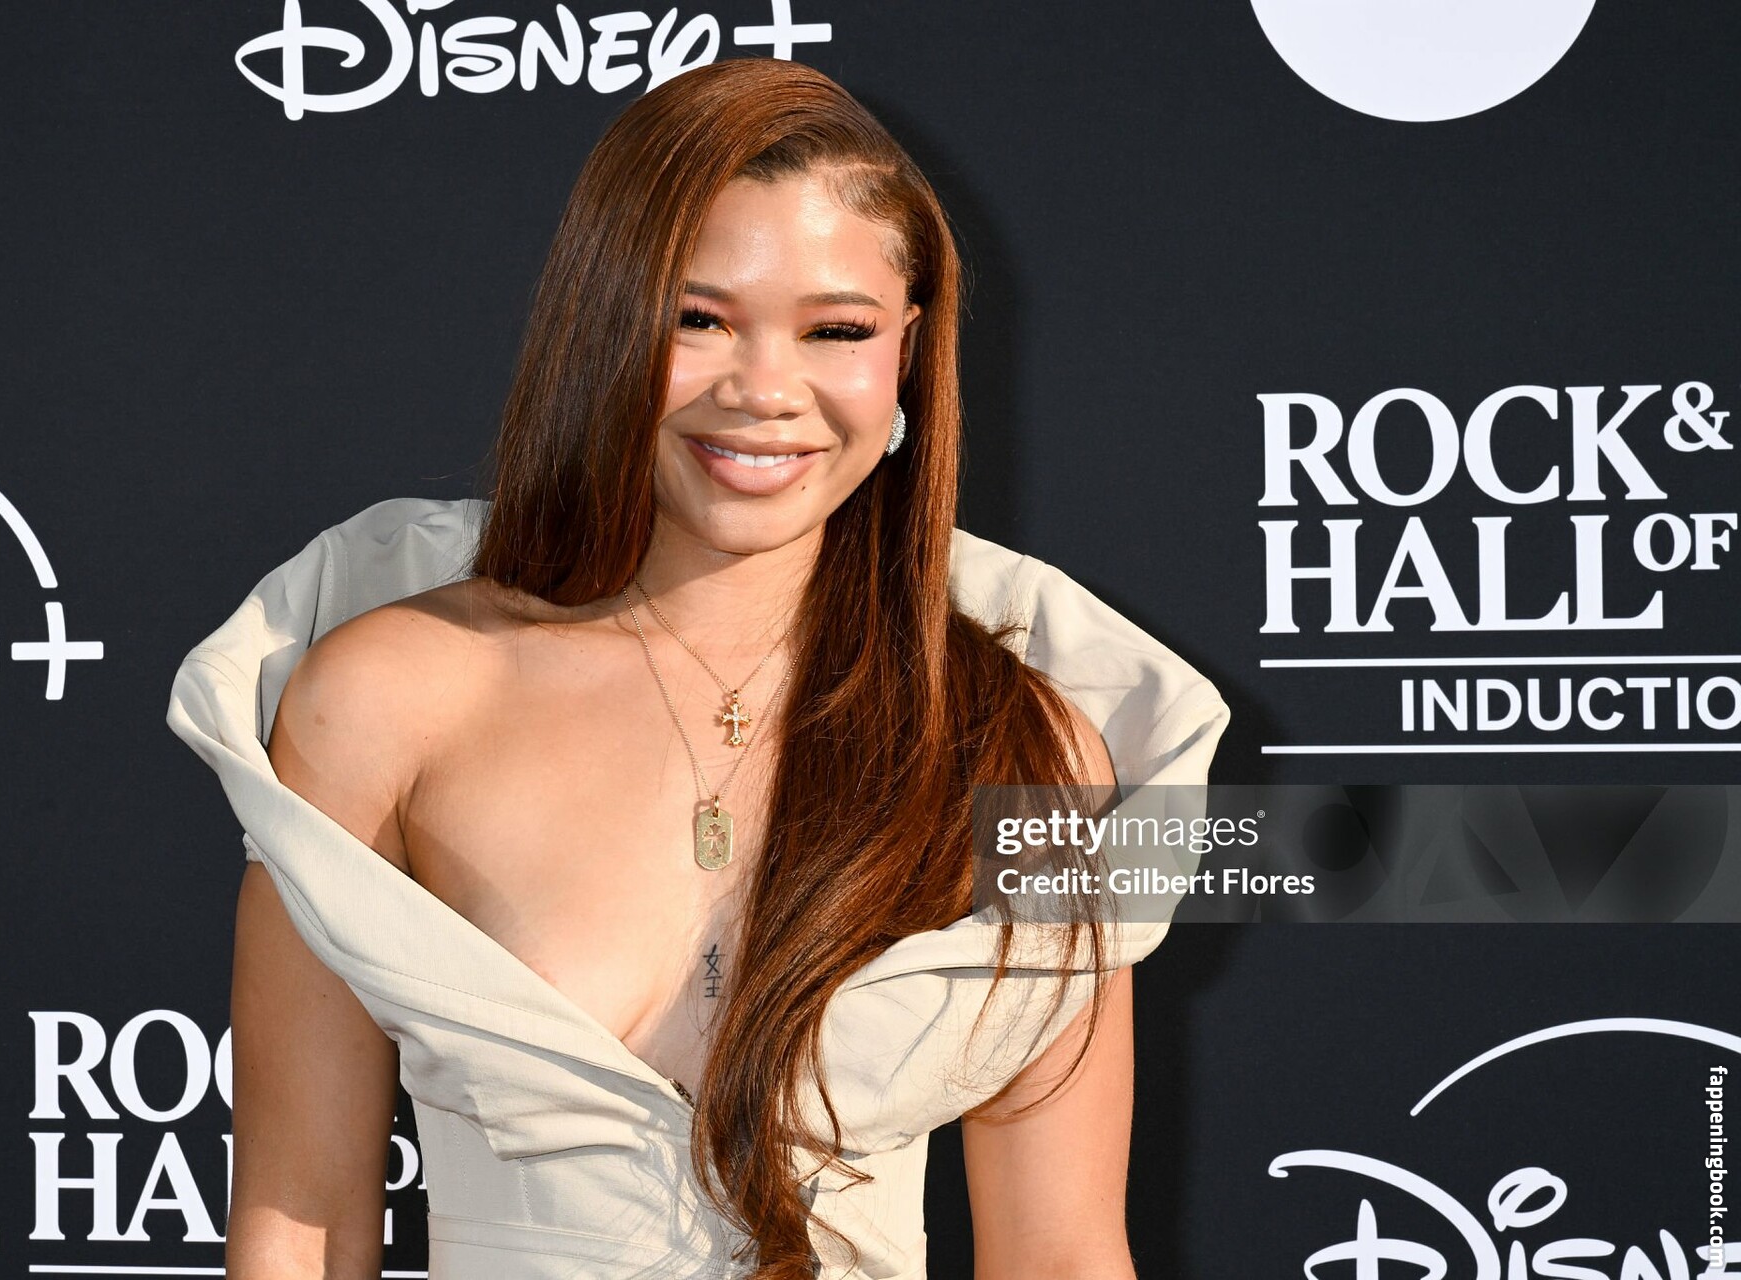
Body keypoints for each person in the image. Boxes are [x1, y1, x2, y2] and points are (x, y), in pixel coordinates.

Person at [168, 57, 1227, 1280]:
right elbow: (304, 1217)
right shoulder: (388, 698)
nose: (764, 391)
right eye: (699, 318)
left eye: (837, 330)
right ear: (602, 323)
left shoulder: (1019, 745)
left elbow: (1061, 1252)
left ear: (908, 350)